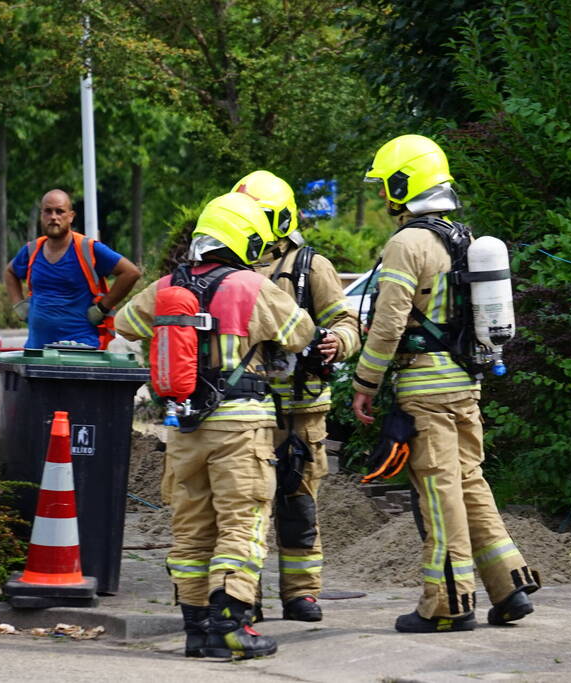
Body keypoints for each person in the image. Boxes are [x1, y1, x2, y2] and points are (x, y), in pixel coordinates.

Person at [115, 192, 316, 660]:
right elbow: (301, 332)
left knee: (190, 530)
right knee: (242, 523)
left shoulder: (169, 286)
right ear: (246, 239)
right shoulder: (251, 286)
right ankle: (231, 624)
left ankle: (196, 629)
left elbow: (125, 323)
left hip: (183, 427)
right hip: (240, 427)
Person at [351, 134, 540, 633]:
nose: (384, 197)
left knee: (439, 493)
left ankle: (448, 604)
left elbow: (389, 323)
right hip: (465, 382)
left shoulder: (406, 243)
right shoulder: (463, 237)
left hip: (425, 389)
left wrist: (365, 380)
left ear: (401, 184)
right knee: (470, 482)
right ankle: (510, 585)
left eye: (386, 186)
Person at [235, 170, 360, 622]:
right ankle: (243, 595)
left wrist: (338, 342)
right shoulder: (231, 263)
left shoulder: (311, 267)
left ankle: (301, 594)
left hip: (302, 410)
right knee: (246, 505)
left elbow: (347, 321)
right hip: (244, 408)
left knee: (299, 502)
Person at [5, 189, 140, 349]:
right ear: (42, 215)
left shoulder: (88, 249)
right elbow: (10, 272)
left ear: (71, 216)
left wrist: (102, 307)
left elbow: (131, 272)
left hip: (80, 350)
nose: (53, 217)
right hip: (36, 349)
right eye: (48, 211)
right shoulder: (32, 250)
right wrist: (19, 305)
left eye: (59, 211)